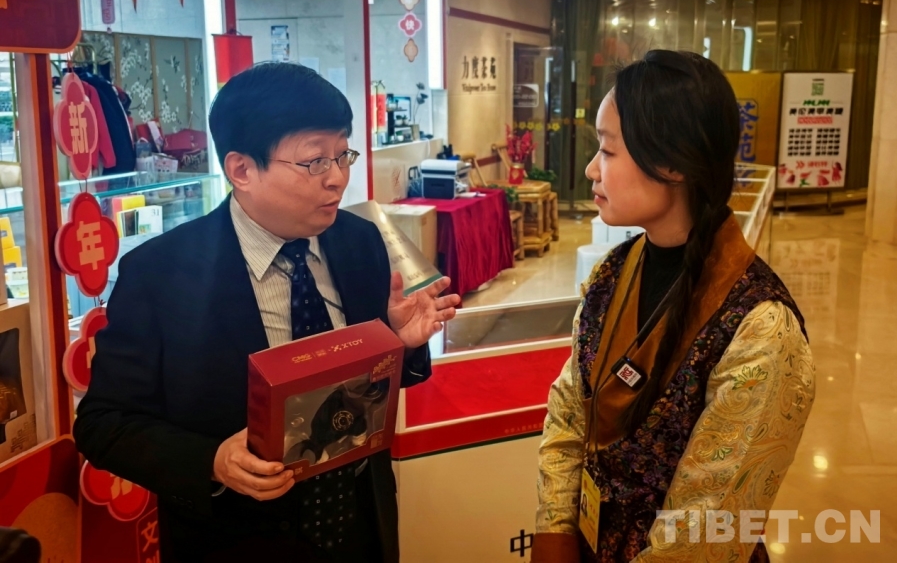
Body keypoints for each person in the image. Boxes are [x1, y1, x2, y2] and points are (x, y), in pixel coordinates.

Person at [74, 62, 460, 562]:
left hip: (359, 527)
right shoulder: (161, 274)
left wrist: (397, 345)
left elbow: (365, 395)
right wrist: (213, 461)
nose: (338, 179)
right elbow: (104, 423)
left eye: (343, 154)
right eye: (315, 162)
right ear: (242, 170)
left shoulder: (359, 241)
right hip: (235, 540)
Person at [532, 50, 815, 563]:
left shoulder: (760, 328)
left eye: (608, 150)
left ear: (673, 163)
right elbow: (570, 408)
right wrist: (555, 532)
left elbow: (704, 530)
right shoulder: (613, 272)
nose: (592, 168)